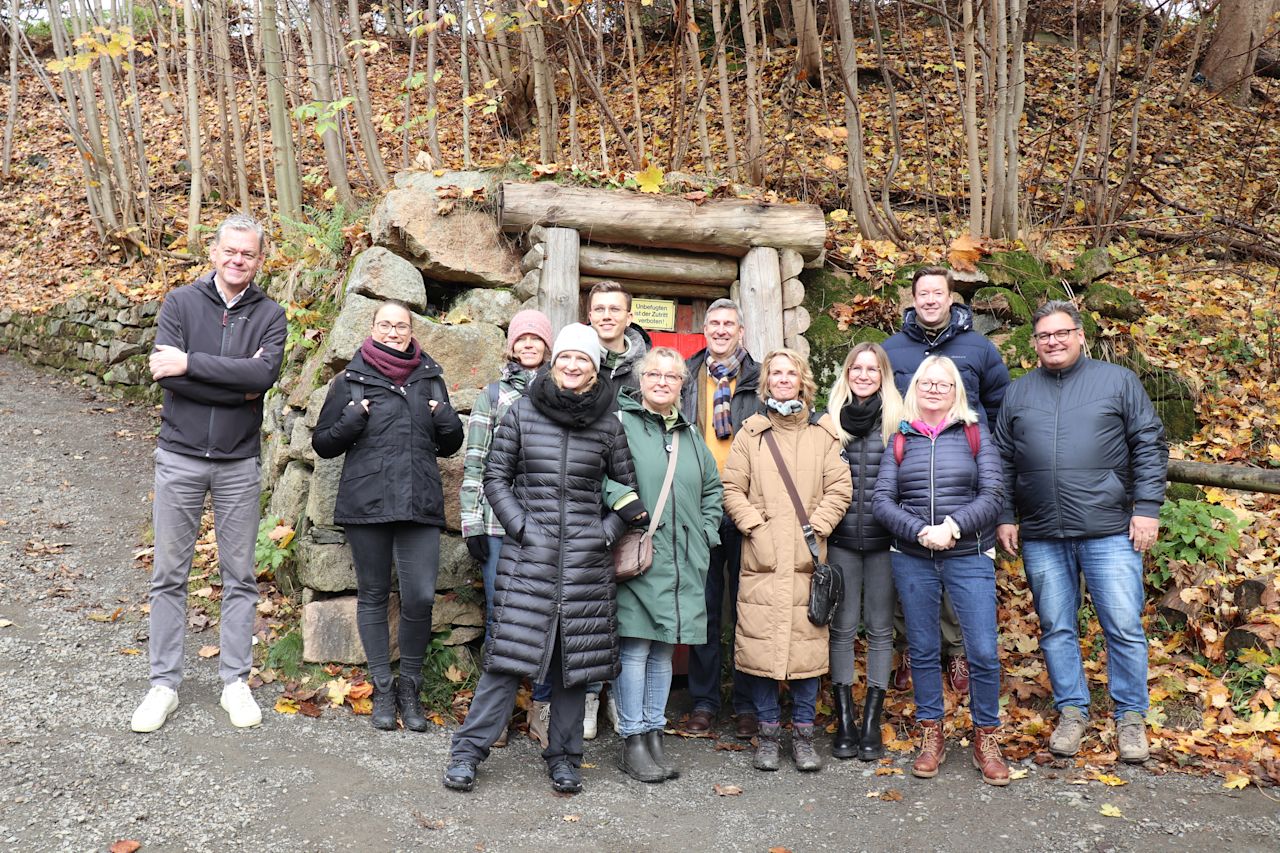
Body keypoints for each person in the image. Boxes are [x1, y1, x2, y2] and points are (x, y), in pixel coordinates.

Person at [443, 323, 642, 795]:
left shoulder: (610, 424)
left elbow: (628, 495)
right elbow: (496, 477)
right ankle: (468, 753)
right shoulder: (522, 411)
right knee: (507, 661)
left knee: (575, 667)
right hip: (528, 558)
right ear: (555, 363)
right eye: (567, 358)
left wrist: (602, 535)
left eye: (584, 361)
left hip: (585, 565)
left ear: (595, 369)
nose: (573, 366)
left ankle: (565, 759)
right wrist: (522, 528)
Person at [130, 214, 287, 733]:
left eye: (249, 254)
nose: (238, 260)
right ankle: (163, 685)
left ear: (259, 260)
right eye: (231, 251)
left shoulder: (270, 314)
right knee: (168, 575)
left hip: (239, 463)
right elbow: (163, 375)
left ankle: (234, 682)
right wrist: (232, 382)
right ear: (214, 253)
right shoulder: (180, 303)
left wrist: (190, 365)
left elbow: (262, 377)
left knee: (239, 576)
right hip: (180, 455)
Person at [994, 300, 1167, 763]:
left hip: (1110, 527)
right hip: (1043, 532)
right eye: (1044, 336)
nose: (1053, 341)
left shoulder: (1117, 382)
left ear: (1080, 335)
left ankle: (1130, 717)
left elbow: (1149, 444)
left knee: (1124, 626)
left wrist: (1147, 508)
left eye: (1061, 333)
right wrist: (1006, 514)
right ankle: (1072, 711)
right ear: (1034, 343)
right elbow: (1002, 460)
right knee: (1055, 627)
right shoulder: (1019, 391)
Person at [312, 300, 464, 732]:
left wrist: (449, 420)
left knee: (419, 596)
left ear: (411, 331)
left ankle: (410, 688)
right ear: (372, 328)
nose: (393, 331)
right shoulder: (350, 380)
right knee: (374, 595)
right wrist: (350, 421)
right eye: (385, 325)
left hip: (419, 503)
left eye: (401, 325)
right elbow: (324, 444)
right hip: (368, 504)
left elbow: (450, 444)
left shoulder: (430, 378)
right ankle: (382, 686)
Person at [872, 356, 1008, 786]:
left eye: (943, 383)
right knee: (924, 650)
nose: (934, 389)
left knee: (983, 651)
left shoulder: (974, 434)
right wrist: (919, 532)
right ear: (915, 389)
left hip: (969, 554)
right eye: (927, 382)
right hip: (913, 557)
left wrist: (952, 527)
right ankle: (932, 734)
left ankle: (987, 737)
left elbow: (993, 493)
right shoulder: (899, 437)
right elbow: (882, 501)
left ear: (956, 391)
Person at [721, 348, 852, 772]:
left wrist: (817, 527)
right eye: (775, 373)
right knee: (761, 652)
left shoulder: (823, 434)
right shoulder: (750, 434)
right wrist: (755, 529)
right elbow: (731, 490)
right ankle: (767, 735)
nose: (782, 379)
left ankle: (803, 735)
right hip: (761, 559)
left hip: (807, 560)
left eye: (789, 373)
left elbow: (840, 489)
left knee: (807, 654)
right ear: (766, 382)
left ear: (803, 381)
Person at [882, 266, 1011, 695]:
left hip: (965, 469)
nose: (931, 300)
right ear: (913, 299)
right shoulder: (894, 350)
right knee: (910, 579)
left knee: (961, 588)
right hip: (911, 463)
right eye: (923, 293)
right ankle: (912, 655)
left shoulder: (978, 348)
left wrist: (985, 455)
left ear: (951, 297)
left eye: (938, 292)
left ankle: (957, 654)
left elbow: (1000, 404)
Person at [614, 348, 723, 783]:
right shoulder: (620, 425)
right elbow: (600, 476)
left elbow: (713, 488)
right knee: (636, 647)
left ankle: (655, 732)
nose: (662, 381)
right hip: (642, 555)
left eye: (672, 376)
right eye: (654, 374)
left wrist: (706, 533)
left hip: (683, 557)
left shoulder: (690, 435)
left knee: (663, 647)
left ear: (682, 385)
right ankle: (633, 739)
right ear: (640, 380)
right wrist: (625, 505)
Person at [458, 309, 555, 747]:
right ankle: (496, 715)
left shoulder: (562, 392)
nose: (529, 345)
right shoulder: (494, 395)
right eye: (523, 339)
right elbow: (476, 462)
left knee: (550, 619)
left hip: (550, 527)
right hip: (499, 525)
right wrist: (472, 523)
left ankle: (543, 708)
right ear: (512, 346)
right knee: (502, 621)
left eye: (537, 338)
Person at [678, 298, 764, 739]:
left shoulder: (760, 377)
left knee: (748, 608)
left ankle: (748, 704)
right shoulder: (687, 375)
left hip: (749, 505)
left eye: (729, 323)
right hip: (701, 505)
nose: (721, 330)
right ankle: (705, 701)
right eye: (714, 323)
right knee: (706, 608)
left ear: (741, 332)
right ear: (705, 330)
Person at [825, 342, 903, 761]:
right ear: (847, 373)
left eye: (872, 369)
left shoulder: (898, 420)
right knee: (841, 629)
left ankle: (872, 720)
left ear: (883, 375)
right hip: (839, 542)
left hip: (884, 542)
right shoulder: (829, 421)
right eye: (857, 367)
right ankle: (845, 718)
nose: (864, 374)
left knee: (878, 630)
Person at [587, 279, 650, 391]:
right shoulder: (573, 364)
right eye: (599, 309)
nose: (606, 316)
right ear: (591, 317)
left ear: (628, 318)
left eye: (615, 309)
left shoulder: (647, 370)